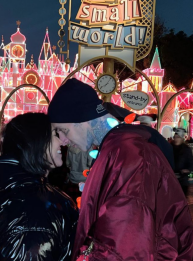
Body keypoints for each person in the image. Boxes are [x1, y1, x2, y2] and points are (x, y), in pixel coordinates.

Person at [48, 78, 193, 260]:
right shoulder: (119, 149)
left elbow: (124, 250)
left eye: (62, 130)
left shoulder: (129, 156)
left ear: (80, 119)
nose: (62, 140)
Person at [0, 113, 78, 261]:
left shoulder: (23, 196)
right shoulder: (33, 212)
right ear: (35, 142)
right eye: (56, 134)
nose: (64, 141)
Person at [172, 128, 193, 196]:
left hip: (182, 180)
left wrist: (186, 170)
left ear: (181, 138)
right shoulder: (170, 148)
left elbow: (191, 164)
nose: (176, 139)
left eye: (178, 137)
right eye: (175, 137)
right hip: (171, 179)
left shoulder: (186, 150)